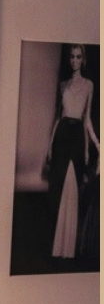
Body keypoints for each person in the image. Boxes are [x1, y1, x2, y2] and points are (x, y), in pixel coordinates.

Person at [43, 44, 99, 261]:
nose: (74, 60)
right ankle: (56, 248)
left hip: (77, 138)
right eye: (72, 57)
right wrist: (49, 146)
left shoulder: (89, 85)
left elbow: (87, 121)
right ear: (69, 60)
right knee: (56, 191)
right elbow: (58, 118)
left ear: (82, 59)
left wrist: (93, 145)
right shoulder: (63, 85)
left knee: (73, 189)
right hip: (62, 136)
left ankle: (69, 248)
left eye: (78, 57)